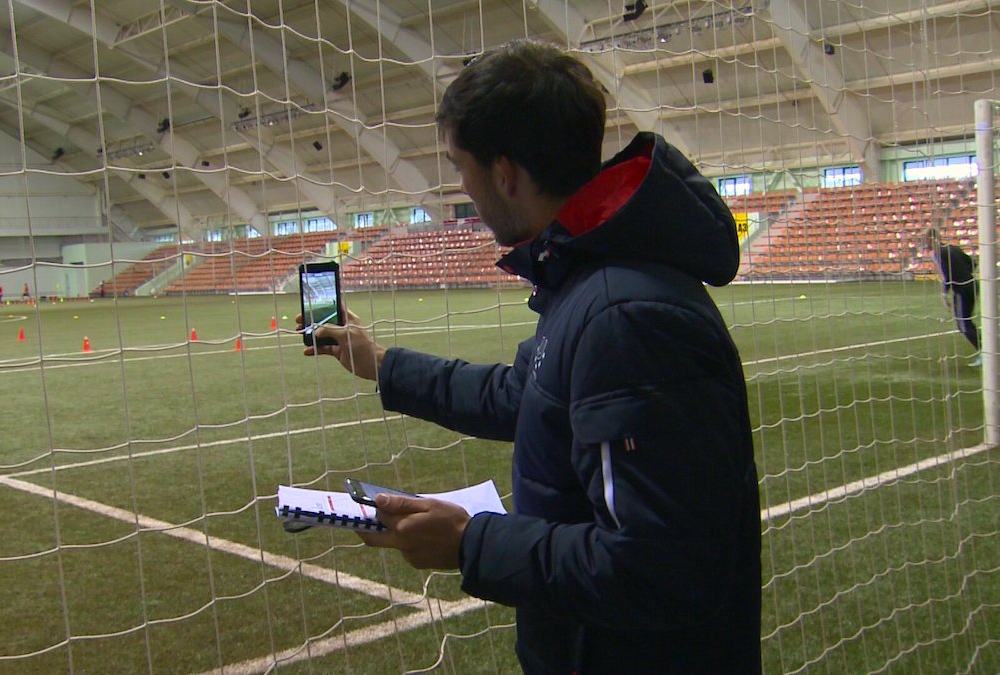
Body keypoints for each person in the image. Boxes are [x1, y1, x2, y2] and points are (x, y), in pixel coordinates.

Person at [301, 39, 760, 674]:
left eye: (461, 167)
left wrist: (471, 542)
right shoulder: (588, 277)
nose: (462, 187)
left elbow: (662, 567)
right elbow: (520, 396)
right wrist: (378, 362)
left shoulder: (622, 314)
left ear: (505, 173)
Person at [923, 227, 981, 366]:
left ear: (930, 239)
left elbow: (947, 274)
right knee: (966, 321)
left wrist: (944, 294)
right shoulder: (953, 248)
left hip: (961, 289)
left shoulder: (938, 253)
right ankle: (985, 349)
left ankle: (984, 352)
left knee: (963, 324)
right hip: (972, 285)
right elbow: (973, 263)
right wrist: (964, 274)